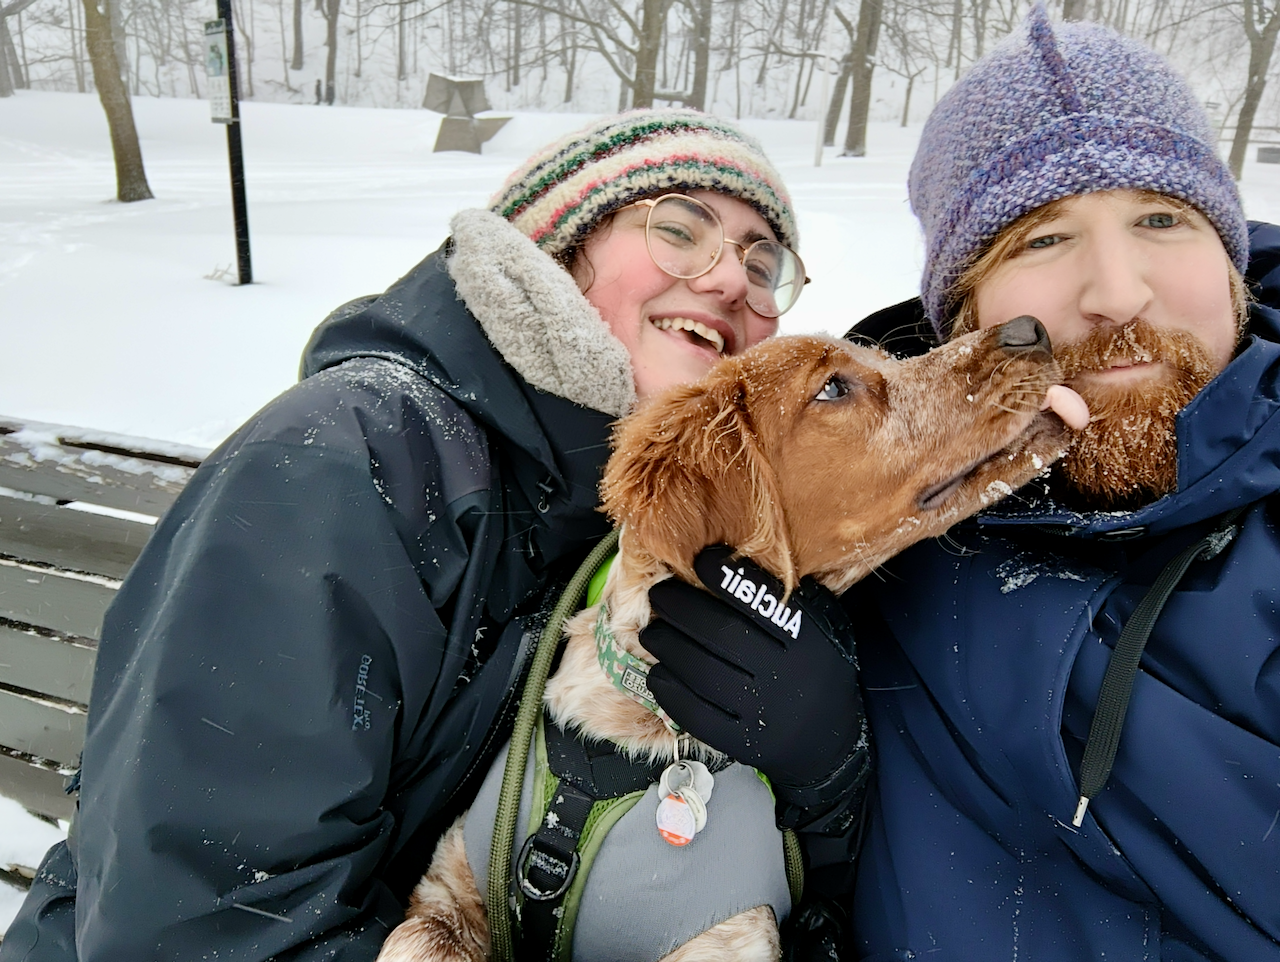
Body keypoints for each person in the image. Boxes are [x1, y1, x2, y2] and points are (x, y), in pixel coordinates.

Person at [1, 109, 834, 962]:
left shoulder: (637, 508)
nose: (732, 280)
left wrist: (828, 773)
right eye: (681, 228)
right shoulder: (346, 463)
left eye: (762, 261)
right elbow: (203, 924)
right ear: (557, 245)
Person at [640, 8, 1280, 961]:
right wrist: (828, 782)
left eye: (1161, 218)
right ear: (962, 313)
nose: (1116, 289)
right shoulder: (857, 503)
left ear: (1231, 268)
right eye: (1041, 238)